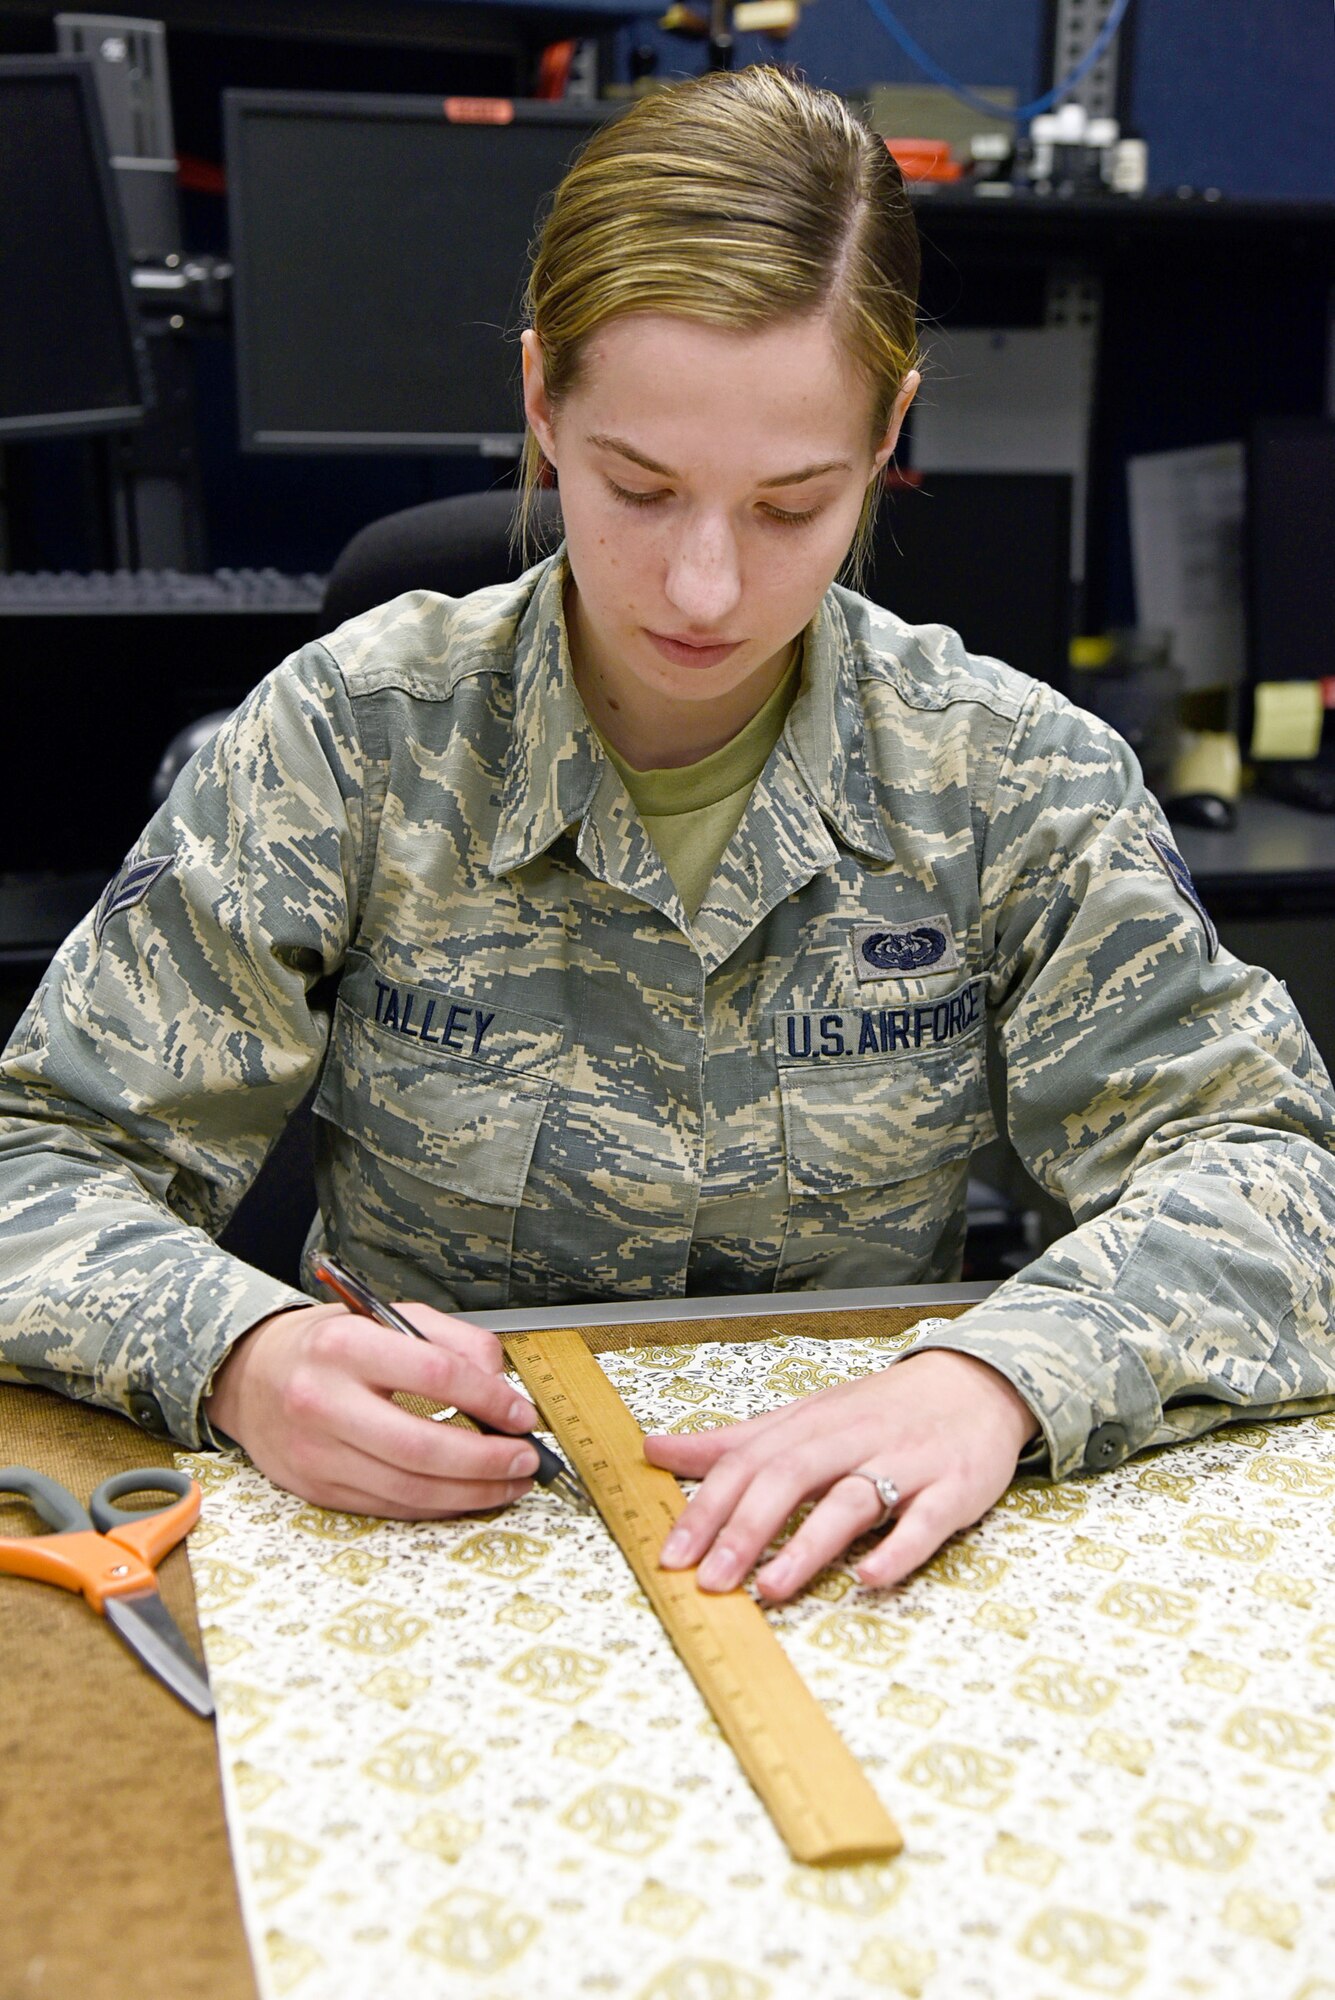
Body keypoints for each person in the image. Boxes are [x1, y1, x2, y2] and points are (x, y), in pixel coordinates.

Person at [2, 68, 1333, 1610]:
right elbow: (38, 1160)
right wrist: (237, 1353)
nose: (704, 588)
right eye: (639, 488)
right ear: (540, 404)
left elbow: (1273, 1174)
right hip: (428, 1554)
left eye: (790, 504)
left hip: (839, 1562)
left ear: (889, 433)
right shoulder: (353, 740)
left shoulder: (1006, 773)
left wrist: (1004, 1381)